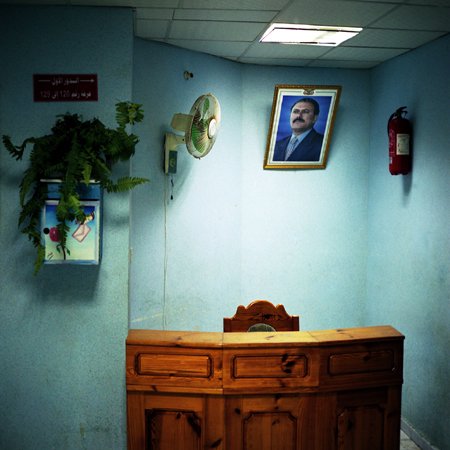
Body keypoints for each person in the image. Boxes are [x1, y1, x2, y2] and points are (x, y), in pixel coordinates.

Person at [273, 97, 324, 162]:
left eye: (305, 112)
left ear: (315, 118)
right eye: (295, 111)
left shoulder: (322, 144)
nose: (299, 116)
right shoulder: (277, 145)